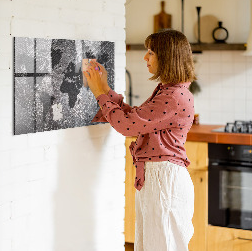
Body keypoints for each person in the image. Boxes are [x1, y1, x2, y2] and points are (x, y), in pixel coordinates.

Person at [84, 29, 196, 251]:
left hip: (164, 180)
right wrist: (105, 88)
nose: (145, 57)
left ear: (167, 57)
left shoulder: (173, 96)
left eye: (151, 52)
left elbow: (127, 126)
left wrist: (99, 93)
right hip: (159, 178)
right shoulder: (169, 91)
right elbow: (135, 118)